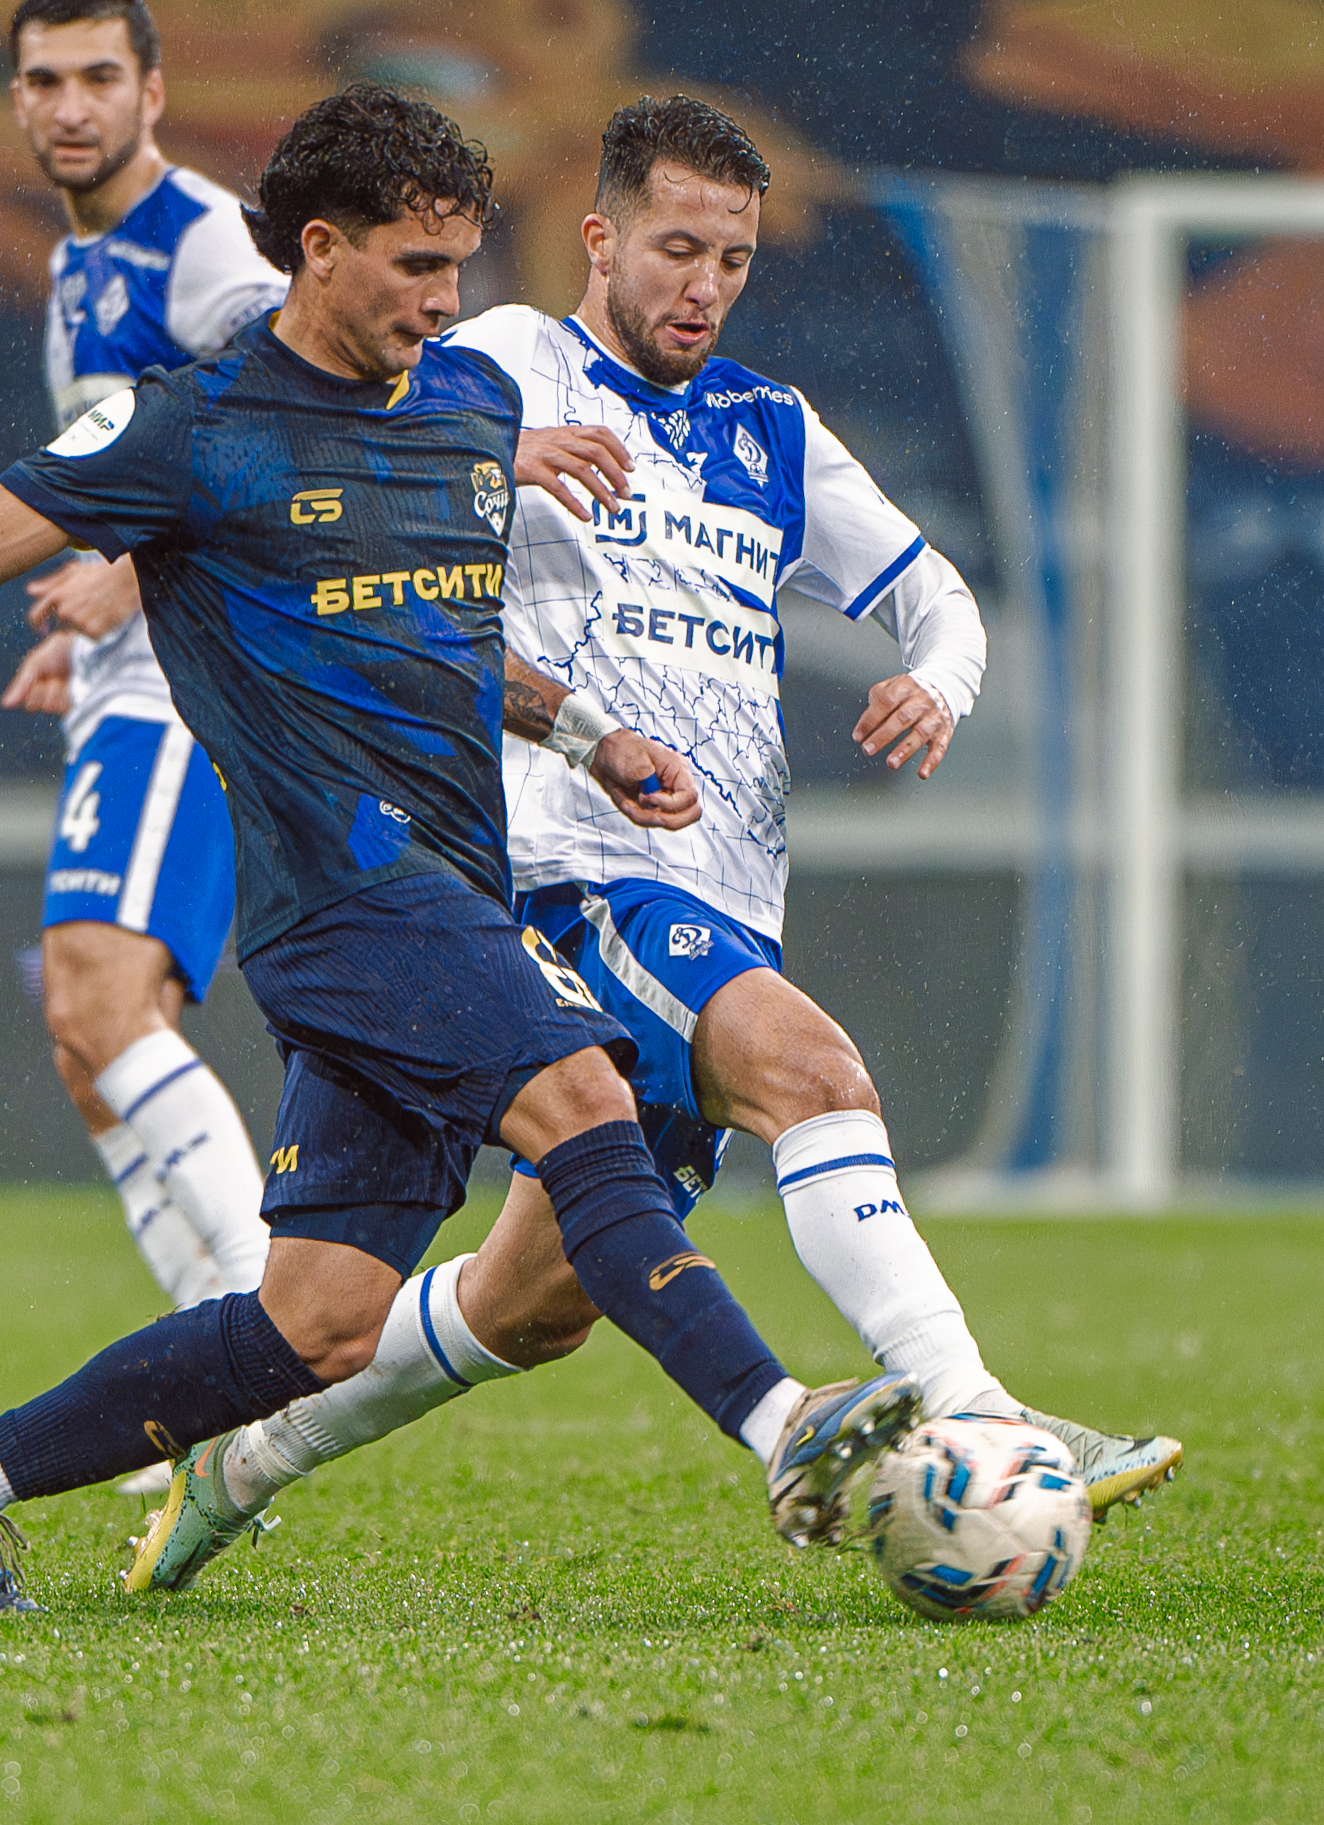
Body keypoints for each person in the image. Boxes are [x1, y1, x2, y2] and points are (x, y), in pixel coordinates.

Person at [0, 86, 924, 1615]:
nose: (444, 301)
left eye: (457, 268)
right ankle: (783, 1425)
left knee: (314, 1323)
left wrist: (584, 735)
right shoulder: (190, 430)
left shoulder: (462, 404)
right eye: (415, 267)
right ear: (316, 249)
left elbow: (429, 629)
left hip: (447, 886)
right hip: (346, 899)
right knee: (586, 1103)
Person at [128, 94, 1184, 1595]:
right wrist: (481, 448)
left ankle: (235, 1464)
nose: (703, 285)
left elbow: (936, 597)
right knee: (813, 1073)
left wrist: (935, 682)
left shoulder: (771, 427)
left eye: (731, 260)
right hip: (565, 866)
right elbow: (329, 436)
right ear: (601, 238)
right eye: (676, 248)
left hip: (729, 886)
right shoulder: (507, 358)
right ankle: (981, 1413)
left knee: (531, 1302)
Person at [0, 0, 287, 1309]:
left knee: (100, 1000)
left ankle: (265, 1326)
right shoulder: (75, 261)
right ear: (16, 100)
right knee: (88, 1038)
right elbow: (137, 458)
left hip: (196, 663)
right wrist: (88, 601)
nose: (72, 107)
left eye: (99, 78)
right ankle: (210, 1339)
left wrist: (134, 572)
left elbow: (297, 407)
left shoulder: (202, 239)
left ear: (152, 93)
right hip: (128, 663)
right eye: (46, 80)